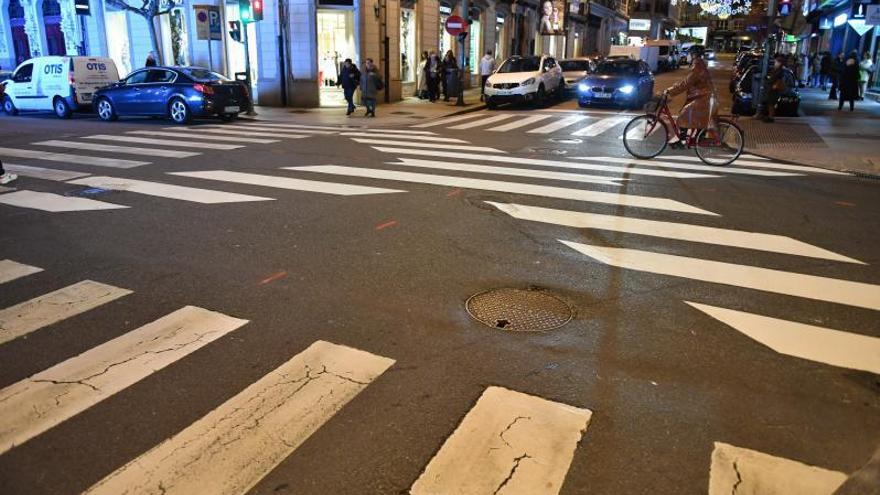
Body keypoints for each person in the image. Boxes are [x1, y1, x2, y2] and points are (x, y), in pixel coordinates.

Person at [663, 46, 717, 145]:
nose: (688, 56)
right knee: (686, 115)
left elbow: (687, 83)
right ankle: (692, 138)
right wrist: (674, 87)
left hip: (703, 98)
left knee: (683, 116)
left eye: (689, 54)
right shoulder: (699, 64)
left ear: (694, 55)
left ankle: (683, 141)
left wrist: (670, 91)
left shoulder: (698, 66)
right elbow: (687, 81)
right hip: (702, 96)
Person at [760, 55, 789, 123]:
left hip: (774, 89)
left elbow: (779, 79)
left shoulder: (780, 71)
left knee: (771, 103)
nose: (775, 63)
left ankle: (771, 117)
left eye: (776, 62)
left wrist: (774, 84)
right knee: (769, 103)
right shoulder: (775, 69)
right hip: (771, 88)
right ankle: (769, 116)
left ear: (780, 63)